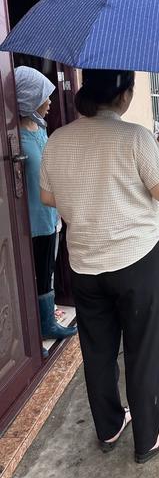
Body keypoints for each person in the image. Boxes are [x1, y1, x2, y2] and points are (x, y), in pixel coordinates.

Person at [40, 69, 159, 464]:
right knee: (143, 351)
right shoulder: (135, 137)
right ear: (123, 95)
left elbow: (48, 196)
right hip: (136, 262)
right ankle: (149, 436)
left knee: (98, 352)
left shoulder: (58, 139)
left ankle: (109, 426)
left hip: (85, 265)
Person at [14, 66, 77, 356]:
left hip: (50, 216)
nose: (50, 102)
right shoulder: (15, 137)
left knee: (48, 271)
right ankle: (36, 332)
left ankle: (48, 321)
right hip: (32, 221)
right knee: (34, 274)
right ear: (29, 97)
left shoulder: (37, 127)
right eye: (44, 96)